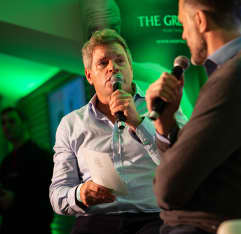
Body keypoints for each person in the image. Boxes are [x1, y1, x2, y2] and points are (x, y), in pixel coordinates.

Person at [145, 0, 241, 233]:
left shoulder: (236, 77)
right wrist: (165, 124)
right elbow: (185, 170)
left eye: (183, 24)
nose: (184, 35)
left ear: (200, 20)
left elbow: (167, 190)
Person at [49, 28, 186, 234]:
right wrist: (81, 194)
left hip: (152, 218)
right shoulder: (71, 124)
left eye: (120, 61)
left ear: (130, 67)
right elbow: (58, 193)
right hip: (96, 221)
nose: (113, 67)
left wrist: (139, 123)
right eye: (103, 63)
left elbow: (185, 162)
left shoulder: (162, 104)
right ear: (89, 75)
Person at [0, 107, 54, 233]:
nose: (6, 126)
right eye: (3, 123)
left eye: (12, 121)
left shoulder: (42, 157)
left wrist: (15, 199)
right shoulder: (6, 162)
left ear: (24, 124)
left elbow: (49, 197)